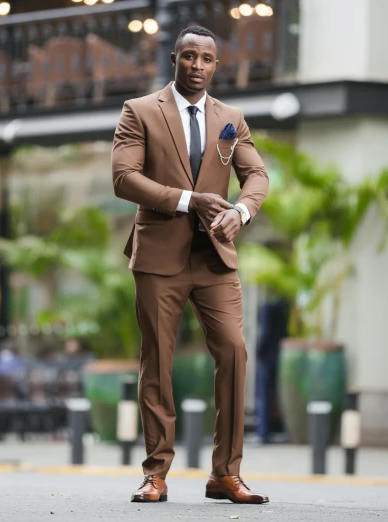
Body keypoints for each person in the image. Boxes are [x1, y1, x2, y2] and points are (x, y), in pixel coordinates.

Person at [111, 25, 269, 504]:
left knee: (235, 352)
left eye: (206, 59)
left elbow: (257, 174)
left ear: (215, 66)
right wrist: (187, 201)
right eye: (189, 57)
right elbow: (124, 178)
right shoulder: (139, 112)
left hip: (214, 258)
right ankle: (156, 473)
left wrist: (239, 213)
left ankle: (225, 474)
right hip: (159, 256)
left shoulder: (231, 118)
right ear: (174, 60)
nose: (197, 66)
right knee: (158, 362)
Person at [254, 296, 289, 444]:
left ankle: (263, 433)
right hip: (280, 356)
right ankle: (274, 430)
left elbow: (266, 332)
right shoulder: (283, 309)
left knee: (263, 395)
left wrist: (259, 351)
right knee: (277, 395)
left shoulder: (267, 308)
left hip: (267, 358)